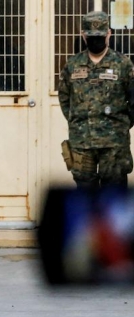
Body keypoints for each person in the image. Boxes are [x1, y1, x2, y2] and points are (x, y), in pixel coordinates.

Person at [58, 11, 134, 188]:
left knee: (114, 193)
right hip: (81, 142)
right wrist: (78, 121)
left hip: (114, 144)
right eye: (91, 36)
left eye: (99, 36)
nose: (95, 40)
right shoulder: (72, 64)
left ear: (109, 34)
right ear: (83, 36)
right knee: (84, 192)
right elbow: (64, 97)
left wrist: (122, 124)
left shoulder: (123, 64)